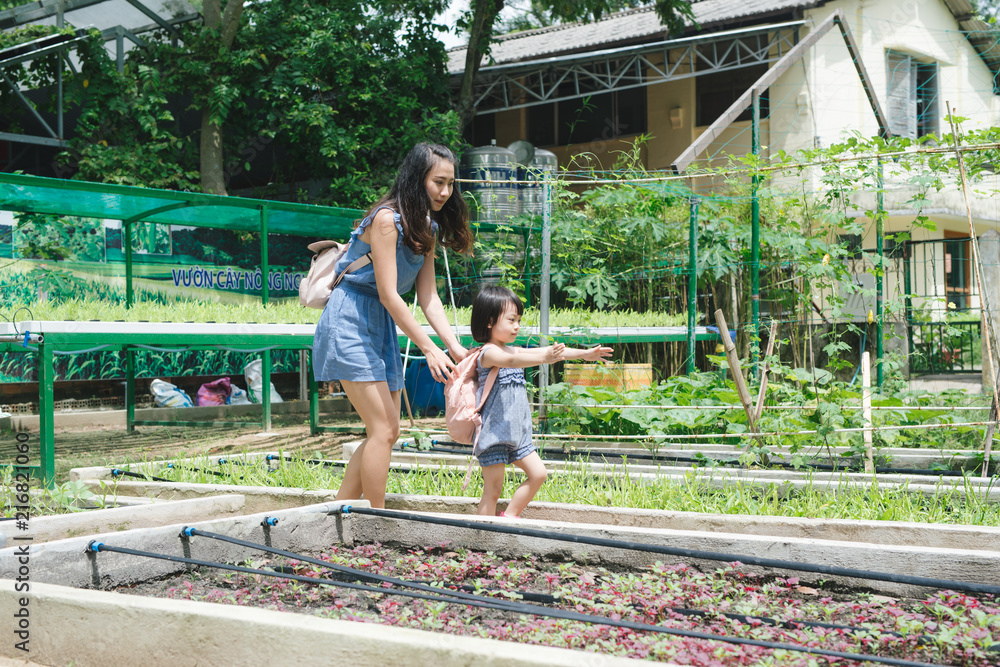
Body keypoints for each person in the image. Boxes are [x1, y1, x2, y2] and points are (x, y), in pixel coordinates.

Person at [314, 142, 473, 508]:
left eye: (451, 184)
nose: (446, 192)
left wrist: (454, 347)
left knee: (387, 431)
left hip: (380, 324)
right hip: (350, 320)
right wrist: (428, 348)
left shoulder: (427, 226)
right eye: (438, 182)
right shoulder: (386, 220)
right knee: (383, 429)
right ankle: (375, 519)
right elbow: (388, 294)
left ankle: (341, 511)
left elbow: (429, 297)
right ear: (417, 179)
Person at [470, 285, 613, 518]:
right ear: (489, 321)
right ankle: (483, 536)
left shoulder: (512, 350)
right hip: (494, 435)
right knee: (493, 490)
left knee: (538, 474)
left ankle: (509, 517)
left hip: (518, 435)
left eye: (518, 319)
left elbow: (551, 352)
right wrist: (543, 358)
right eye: (511, 320)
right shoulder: (488, 353)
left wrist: (585, 354)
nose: (517, 325)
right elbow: (510, 361)